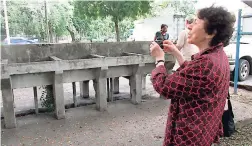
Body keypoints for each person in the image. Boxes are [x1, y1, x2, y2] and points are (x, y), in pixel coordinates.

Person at [149, 6, 235, 146]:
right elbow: (193, 80)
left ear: (211, 32)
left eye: (196, 22)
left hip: (189, 138)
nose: (189, 26)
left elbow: (164, 86)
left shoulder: (206, 63)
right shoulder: (217, 56)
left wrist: (159, 60)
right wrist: (177, 52)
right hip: (203, 132)